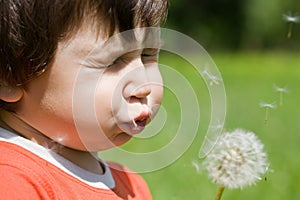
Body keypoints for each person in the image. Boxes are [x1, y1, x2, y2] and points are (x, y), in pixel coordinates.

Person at [0, 0, 168, 199]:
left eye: (147, 55)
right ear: (9, 79)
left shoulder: (132, 185)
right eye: (114, 61)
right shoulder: (13, 182)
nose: (144, 86)